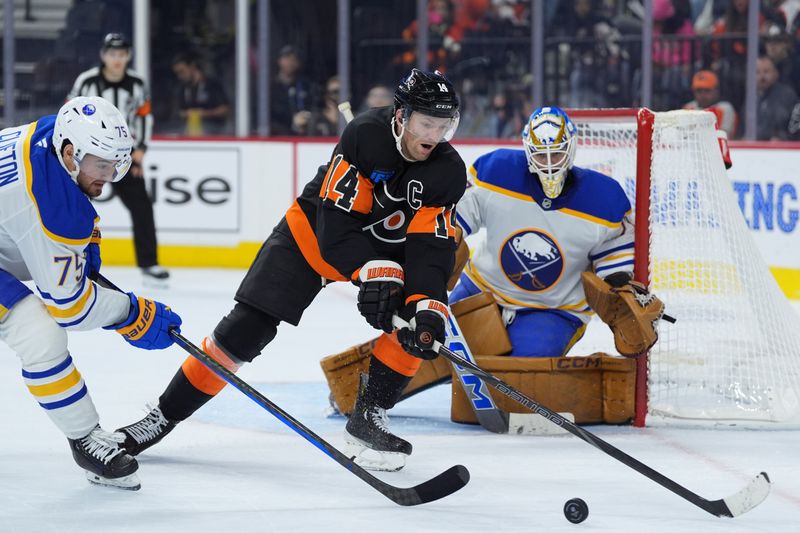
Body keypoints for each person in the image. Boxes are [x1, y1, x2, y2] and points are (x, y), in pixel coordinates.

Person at [116, 69, 465, 472]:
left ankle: (368, 416)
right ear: (402, 116)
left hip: (384, 256)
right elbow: (334, 230)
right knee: (246, 331)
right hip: (308, 239)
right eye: (427, 123)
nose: (435, 135)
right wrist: (371, 269)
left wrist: (425, 300)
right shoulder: (365, 135)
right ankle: (162, 416)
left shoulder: (447, 170)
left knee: (417, 328)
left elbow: (430, 249)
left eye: (444, 125)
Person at [0, 96, 183, 490]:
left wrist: (80, 254)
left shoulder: (54, 134)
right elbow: (72, 308)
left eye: (118, 164)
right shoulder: (49, 206)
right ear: (70, 154)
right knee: (39, 334)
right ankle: (85, 438)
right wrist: (131, 314)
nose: (111, 174)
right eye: (102, 165)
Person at [450, 106, 637, 357]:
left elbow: (614, 261)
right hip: (482, 290)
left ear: (571, 149)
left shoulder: (604, 200)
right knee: (429, 344)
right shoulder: (495, 172)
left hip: (553, 310)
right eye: (541, 156)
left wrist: (619, 287)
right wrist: (435, 254)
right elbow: (453, 222)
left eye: (557, 154)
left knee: (522, 377)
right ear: (528, 150)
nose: (549, 165)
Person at [68, 33, 170, 285]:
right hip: (89, 154)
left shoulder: (137, 83)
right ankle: (67, 255)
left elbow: (144, 117)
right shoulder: (86, 81)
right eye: (112, 54)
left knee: (142, 206)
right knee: (73, 202)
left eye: (122, 55)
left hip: (122, 156)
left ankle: (149, 264)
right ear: (104, 55)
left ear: (128, 57)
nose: (117, 59)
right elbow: (70, 113)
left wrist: (140, 150)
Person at [171, 52, 231, 135]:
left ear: (192, 66)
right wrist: (185, 114)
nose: (180, 76)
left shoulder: (212, 85)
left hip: (213, 128)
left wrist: (205, 114)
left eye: (182, 71)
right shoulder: (182, 88)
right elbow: (178, 111)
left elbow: (225, 110)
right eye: (177, 73)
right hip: (188, 128)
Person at [683, 69, 739, 138]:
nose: (703, 95)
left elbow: (724, 137)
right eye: (699, 90)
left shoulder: (725, 109)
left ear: (716, 91)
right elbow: (683, 137)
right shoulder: (688, 108)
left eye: (707, 90)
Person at [756, 54, 798, 140]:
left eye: (766, 71)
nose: (762, 76)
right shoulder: (752, 98)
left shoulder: (787, 96)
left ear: (776, 73)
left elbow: (795, 129)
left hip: (780, 150)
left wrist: (782, 138)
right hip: (755, 149)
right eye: (758, 72)